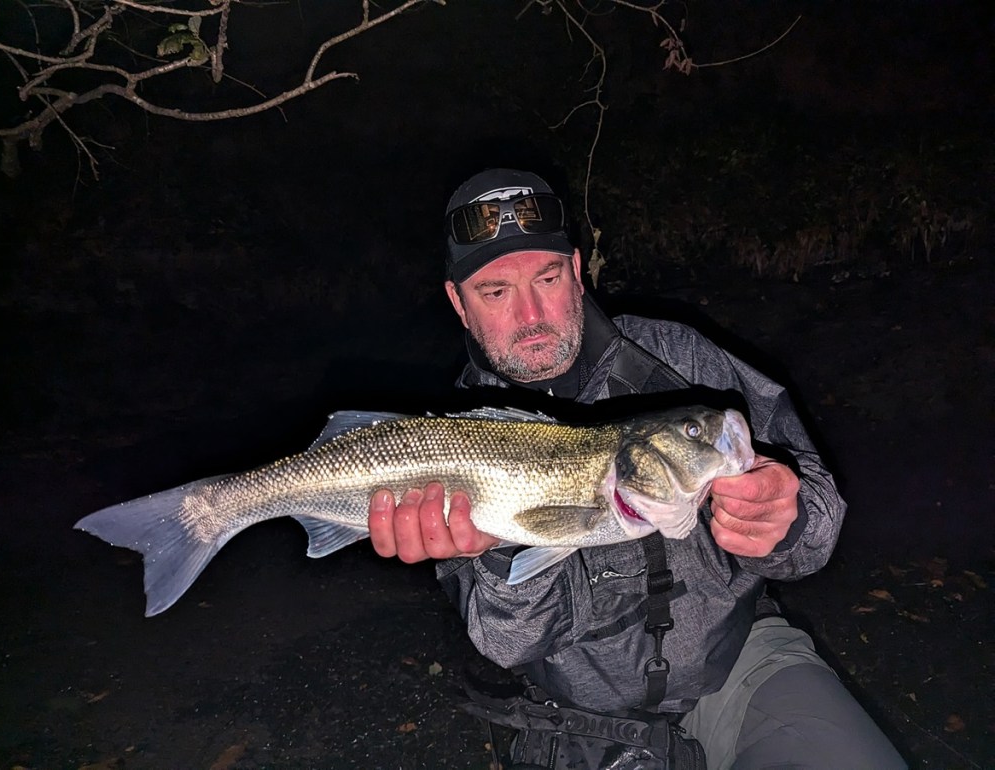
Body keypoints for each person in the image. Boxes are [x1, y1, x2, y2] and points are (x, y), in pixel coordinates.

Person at [367, 168, 906, 769]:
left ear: (576, 270)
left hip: (737, 660)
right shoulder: (448, 444)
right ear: (459, 304)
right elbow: (510, 644)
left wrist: (789, 517)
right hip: (576, 713)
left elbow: (815, 519)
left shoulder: (680, 359)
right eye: (495, 293)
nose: (531, 314)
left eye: (548, 278)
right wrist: (501, 559)